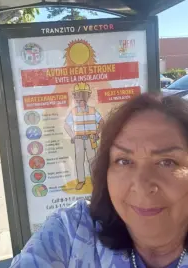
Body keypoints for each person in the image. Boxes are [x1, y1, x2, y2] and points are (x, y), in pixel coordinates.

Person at [10, 93, 188, 268]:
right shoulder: (72, 233)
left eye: (167, 162)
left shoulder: (92, 111)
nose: (141, 186)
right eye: (124, 161)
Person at [64, 82, 104, 190]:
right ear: (75, 97)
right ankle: (81, 181)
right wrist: (73, 136)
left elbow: (101, 122)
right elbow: (66, 124)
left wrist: (96, 133)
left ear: (87, 96)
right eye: (78, 95)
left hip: (91, 139)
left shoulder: (92, 110)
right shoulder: (73, 111)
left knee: (93, 161)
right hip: (79, 140)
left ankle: (95, 182)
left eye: (83, 95)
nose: (81, 98)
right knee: (79, 160)